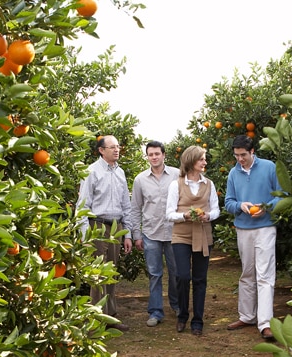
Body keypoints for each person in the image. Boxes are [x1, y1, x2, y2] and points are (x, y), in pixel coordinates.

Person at [224, 135, 282, 340]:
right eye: (236, 155)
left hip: (265, 227)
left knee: (265, 275)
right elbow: (228, 202)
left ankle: (265, 324)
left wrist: (266, 208)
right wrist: (241, 206)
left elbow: (282, 195)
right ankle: (247, 316)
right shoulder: (233, 173)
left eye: (243, 155)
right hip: (243, 228)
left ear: (252, 152)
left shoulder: (269, 167)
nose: (240, 159)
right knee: (247, 273)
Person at [77, 135, 133, 331]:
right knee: (98, 275)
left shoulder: (120, 173)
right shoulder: (91, 172)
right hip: (97, 227)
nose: (116, 150)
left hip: (116, 227)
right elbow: (82, 205)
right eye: (112, 147)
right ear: (101, 150)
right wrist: (85, 236)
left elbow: (126, 205)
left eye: (118, 147)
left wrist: (127, 234)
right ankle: (95, 320)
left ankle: (109, 317)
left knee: (111, 272)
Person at [166, 145, 220, 336]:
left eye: (204, 159)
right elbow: (169, 213)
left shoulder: (209, 184)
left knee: (200, 279)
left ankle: (197, 320)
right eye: (202, 159)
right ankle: (182, 315)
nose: (205, 162)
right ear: (191, 161)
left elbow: (216, 210)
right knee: (182, 276)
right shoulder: (177, 184)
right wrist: (185, 216)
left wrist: (208, 216)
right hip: (181, 235)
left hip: (203, 235)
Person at [130, 141, 180, 327]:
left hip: (175, 233)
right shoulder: (140, 180)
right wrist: (137, 235)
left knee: (177, 273)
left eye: (157, 153)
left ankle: (177, 305)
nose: (154, 157)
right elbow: (135, 208)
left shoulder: (176, 174)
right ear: (147, 157)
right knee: (154, 274)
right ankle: (156, 312)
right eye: (150, 154)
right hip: (151, 233)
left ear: (164, 155)